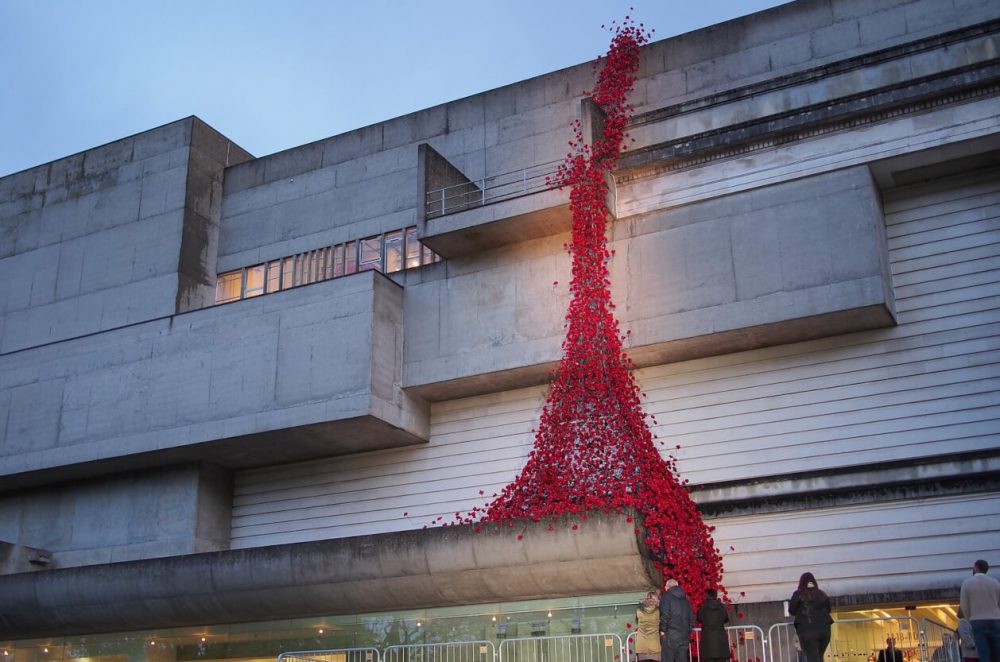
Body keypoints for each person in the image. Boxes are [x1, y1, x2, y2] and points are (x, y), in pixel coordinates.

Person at [960, 560, 1000, 662]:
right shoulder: (995, 583)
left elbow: (964, 606)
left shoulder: (967, 583)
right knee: (996, 652)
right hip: (995, 620)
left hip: (977, 620)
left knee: (983, 652)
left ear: (975, 567)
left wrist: (970, 619)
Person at [788, 572, 833, 662]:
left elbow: (792, 610)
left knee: (812, 657)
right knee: (819, 657)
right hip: (824, 630)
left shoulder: (798, 594)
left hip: (806, 630)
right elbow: (828, 610)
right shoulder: (822, 594)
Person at [660, 578, 695, 662]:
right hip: (684, 635)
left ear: (668, 586)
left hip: (670, 634)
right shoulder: (685, 599)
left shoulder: (666, 596)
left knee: (668, 658)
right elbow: (692, 618)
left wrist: (663, 630)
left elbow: (664, 614)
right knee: (682, 659)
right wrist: (688, 629)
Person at [697, 588, 730, 662]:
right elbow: (726, 619)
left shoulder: (703, 609)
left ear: (706, 596)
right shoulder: (721, 608)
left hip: (708, 641)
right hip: (720, 641)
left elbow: (699, 619)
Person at [636, 589, 662, 662]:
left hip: (641, 646)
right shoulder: (658, 611)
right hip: (655, 645)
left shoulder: (639, 611)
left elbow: (636, 621)